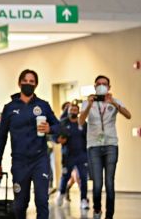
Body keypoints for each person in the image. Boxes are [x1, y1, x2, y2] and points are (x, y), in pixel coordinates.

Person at [0, 69, 60, 219]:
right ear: (19, 83)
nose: (28, 84)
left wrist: (50, 128)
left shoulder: (43, 105)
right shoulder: (9, 108)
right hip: (19, 162)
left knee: (42, 201)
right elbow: (1, 137)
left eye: (32, 81)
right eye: (26, 81)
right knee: (20, 204)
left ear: (36, 85)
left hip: (40, 159)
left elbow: (59, 126)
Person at [79, 75, 131, 219]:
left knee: (109, 183)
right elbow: (81, 121)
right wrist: (89, 105)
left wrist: (113, 102)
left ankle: (109, 215)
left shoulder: (114, 101)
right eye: (99, 84)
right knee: (97, 184)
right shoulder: (87, 102)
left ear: (109, 87)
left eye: (104, 84)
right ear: (95, 86)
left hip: (111, 145)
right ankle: (97, 210)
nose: (102, 86)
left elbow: (128, 115)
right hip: (94, 146)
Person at [55, 104, 89, 209]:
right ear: (68, 111)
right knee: (65, 176)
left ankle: (83, 200)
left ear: (78, 112)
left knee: (83, 178)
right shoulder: (63, 123)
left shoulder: (83, 124)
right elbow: (55, 135)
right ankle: (61, 193)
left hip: (82, 155)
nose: (73, 111)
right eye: (71, 109)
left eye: (75, 109)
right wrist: (57, 140)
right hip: (68, 155)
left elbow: (88, 137)